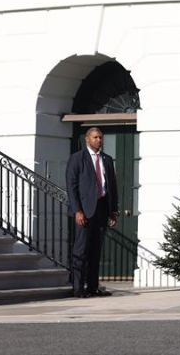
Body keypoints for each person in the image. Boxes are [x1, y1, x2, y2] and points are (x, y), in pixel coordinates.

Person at [66, 127, 119, 298]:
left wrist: (113, 211)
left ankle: (93, 287)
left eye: (101, 137)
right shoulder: (77, 159)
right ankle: (78, 288)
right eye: (95, 137)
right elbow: (71, 187)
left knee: (96, 251)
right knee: (81, 251)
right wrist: (77, 211)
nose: (99, 140)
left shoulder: (107, 159)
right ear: (87, 139)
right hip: (85, 211)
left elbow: (112, 186)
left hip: (102, 209)